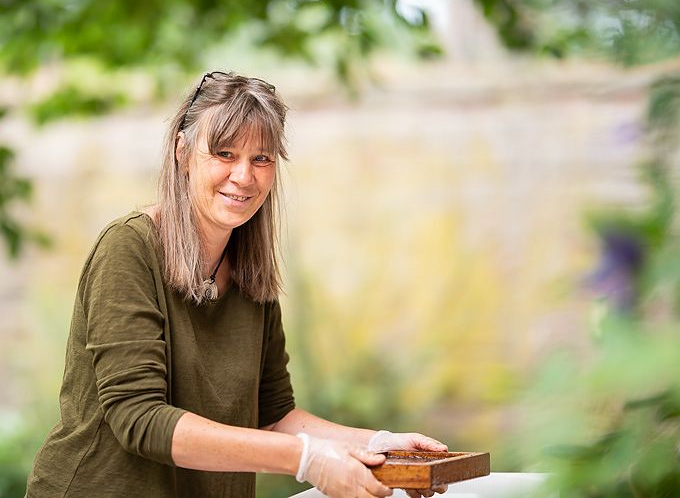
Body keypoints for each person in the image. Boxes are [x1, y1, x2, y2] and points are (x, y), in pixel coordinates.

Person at [26, 71, 450, 498]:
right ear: (183, 152)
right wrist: (305, 460)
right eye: (225, 153)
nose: (244, 176)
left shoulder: (251, 274)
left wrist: (373, 444)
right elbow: (140, 419)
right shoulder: (129, 248)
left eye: (261, 159)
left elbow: (273, 415)